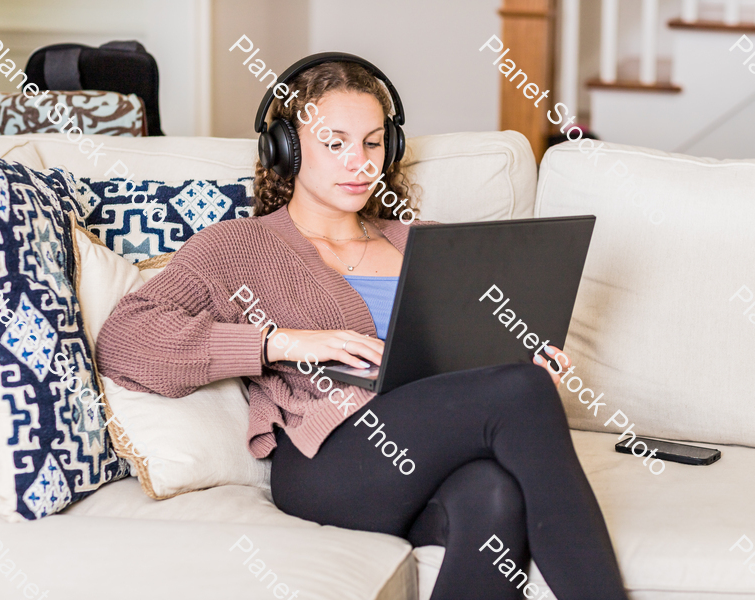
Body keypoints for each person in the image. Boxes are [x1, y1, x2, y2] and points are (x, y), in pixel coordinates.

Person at [95, 58, 629, 600]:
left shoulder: (427, 241)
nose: (359, 162)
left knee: (493, 494)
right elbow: (124, 341)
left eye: (373, 143)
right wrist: (276, 341)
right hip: (329, 462)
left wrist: (519, 359)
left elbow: (464, 370)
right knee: (520, 391)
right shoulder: (238, 247)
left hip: (422, 454)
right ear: (288, 148)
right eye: (334, 143)